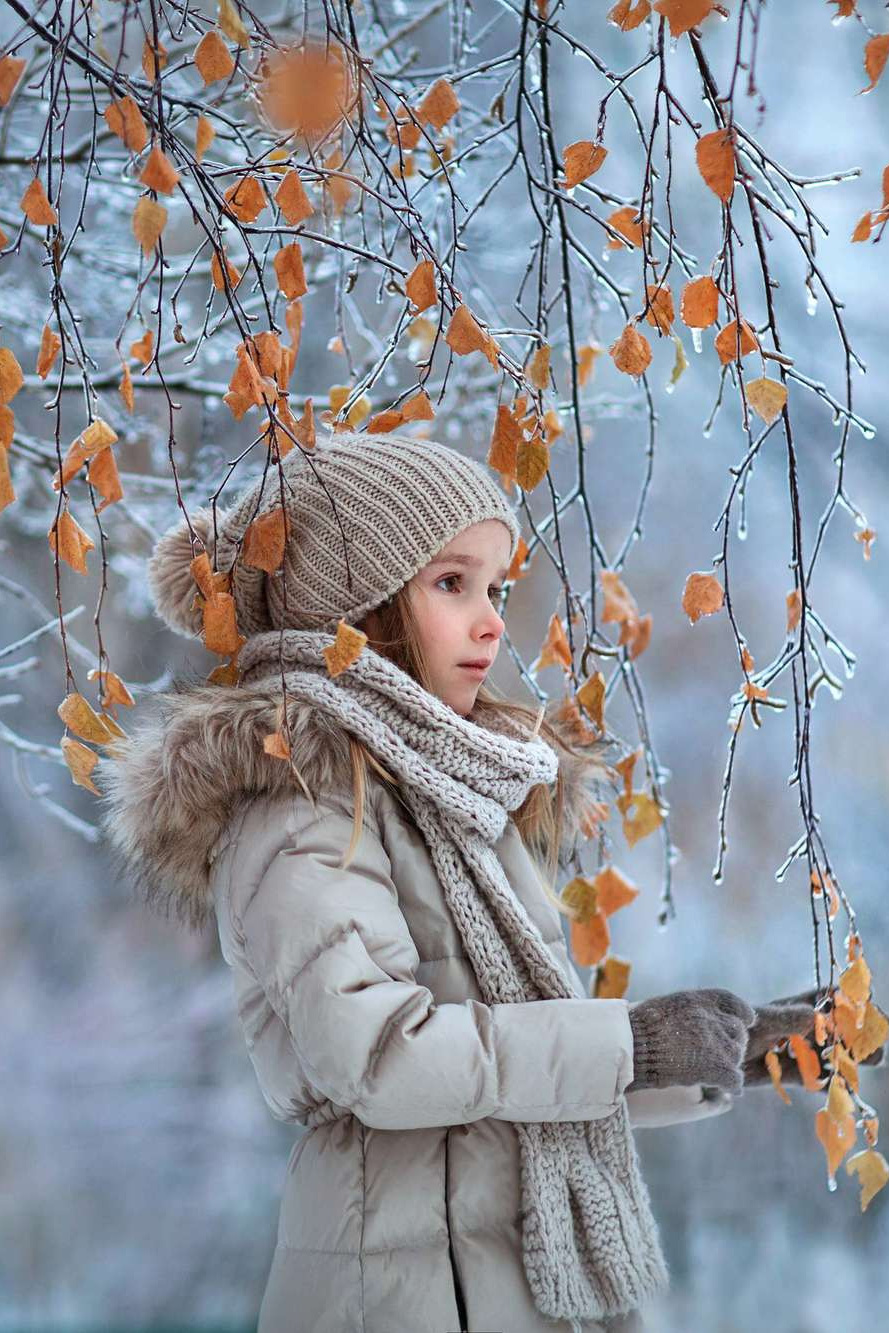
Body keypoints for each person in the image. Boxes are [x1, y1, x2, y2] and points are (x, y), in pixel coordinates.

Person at [95, 428, 857, 1333]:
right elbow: (385, 1057)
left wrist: (740, 1046)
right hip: (401, 1295)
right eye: (451, 582)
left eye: (494, 587)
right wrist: (634, 1043)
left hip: (494, 1279)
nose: (492, 619)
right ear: (356, 604)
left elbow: (524, 1071)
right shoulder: (303, 804)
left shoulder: (454, 794)